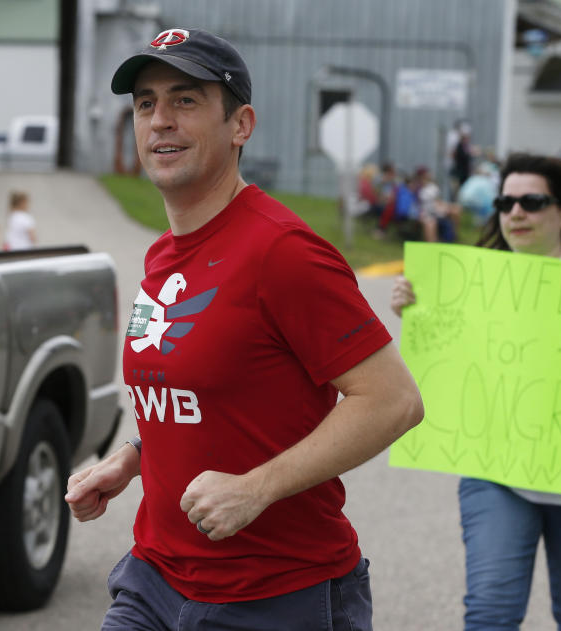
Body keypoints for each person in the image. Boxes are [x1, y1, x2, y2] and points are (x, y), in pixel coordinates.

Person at [65, 27, 424, 630]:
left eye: (185, 100)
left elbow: (394, 401)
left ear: (241, 125)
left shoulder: (284, 253)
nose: (160, 121)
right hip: (155, 579)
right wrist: (131, 458)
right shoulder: (162, 256)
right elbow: (214, 395)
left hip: (276, 593)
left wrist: (256, 487)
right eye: (146, 103)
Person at [391, 153, 561, 631]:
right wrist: (417, 315)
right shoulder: (471, 279)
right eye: (506, 202)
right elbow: (447, 365)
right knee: (490, 615)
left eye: (531, 201)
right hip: (495, 474)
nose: (515, 212)